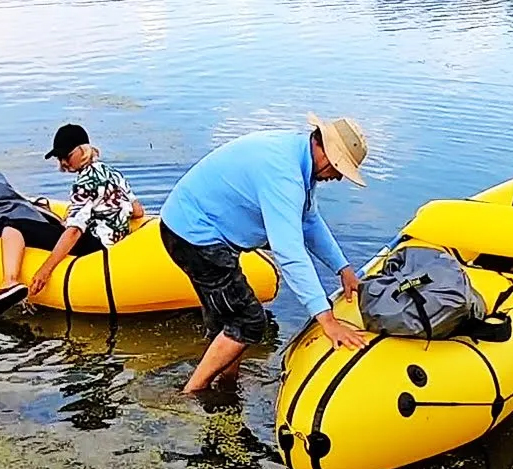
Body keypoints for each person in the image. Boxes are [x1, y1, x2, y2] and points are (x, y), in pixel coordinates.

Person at [159, 113, 370, 393]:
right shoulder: (284, 174)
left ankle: (226, 384)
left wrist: (342, 268)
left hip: (199, 231)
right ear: (326, 152)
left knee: (229, 319)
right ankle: (191, 393)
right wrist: (327, 319)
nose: (339, 177)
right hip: (195, 236)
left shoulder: (298, 157)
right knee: (249, 321)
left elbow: (308, 220)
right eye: (339, 168)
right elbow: (289, 251)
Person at [0, 123, 145, 321]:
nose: (63, 162)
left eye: (66, 155)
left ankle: (9, 282)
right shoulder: (112, 172)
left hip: (94, 245)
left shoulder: (84, 183)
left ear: (82, 150)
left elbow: (74, 232)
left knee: (12, 224)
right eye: (60, 157)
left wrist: (44, 271)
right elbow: (137, 211)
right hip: (115, 244)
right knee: (55, 227)